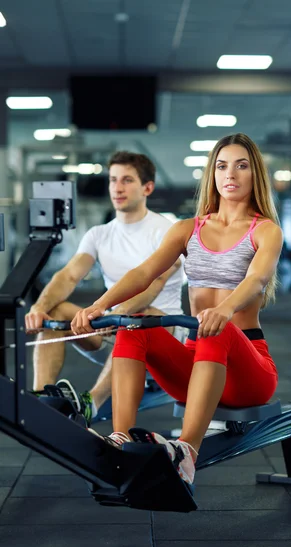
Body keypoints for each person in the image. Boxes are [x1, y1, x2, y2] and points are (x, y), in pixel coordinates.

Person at [71, 133, 283, 485]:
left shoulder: (266, 230)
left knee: (214, 328)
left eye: (241, 166)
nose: (230, 174)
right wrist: (98, 305)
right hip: (195, 365)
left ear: (254, 174)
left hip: (249, 373)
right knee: (135, 325)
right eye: (222, 166)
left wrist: (225, 310)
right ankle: (120, 436)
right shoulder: (188, 229)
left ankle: (187, 451)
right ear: (212, 174)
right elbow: (143, 272)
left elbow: (257, 280)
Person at [25, 151, 184, 422]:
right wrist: (39, 307)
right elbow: (69, 276)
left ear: (147, 187)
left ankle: (93, 403)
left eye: (127, 180)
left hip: (162, 335)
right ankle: (42, 398)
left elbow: (154, 283)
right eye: (112, 180)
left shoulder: (168, 231)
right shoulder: (99, 234)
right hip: (110, 330)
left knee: (141, 316)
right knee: (59, 309)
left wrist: (117, 312)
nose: (117, 188)